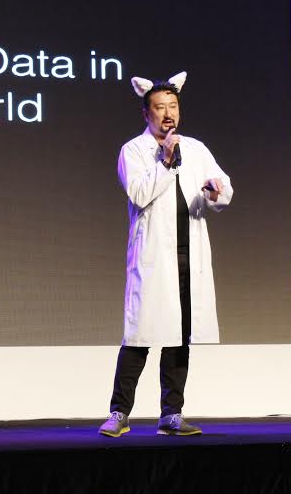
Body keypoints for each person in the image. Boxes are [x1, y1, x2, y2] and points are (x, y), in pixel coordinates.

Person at [98, 71, 233, 437]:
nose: (168, 113)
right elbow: (140, 193)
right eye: (160, 107)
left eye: (173, 106)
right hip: (154, 258)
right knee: (139, 336)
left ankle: (171, 413)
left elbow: (224, 189)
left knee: (179, 337)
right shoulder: (133, 151)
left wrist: (216, 190)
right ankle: (119, 412)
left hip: (188, 255)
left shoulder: (196, 149)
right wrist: (166, 161)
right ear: (147, 113)